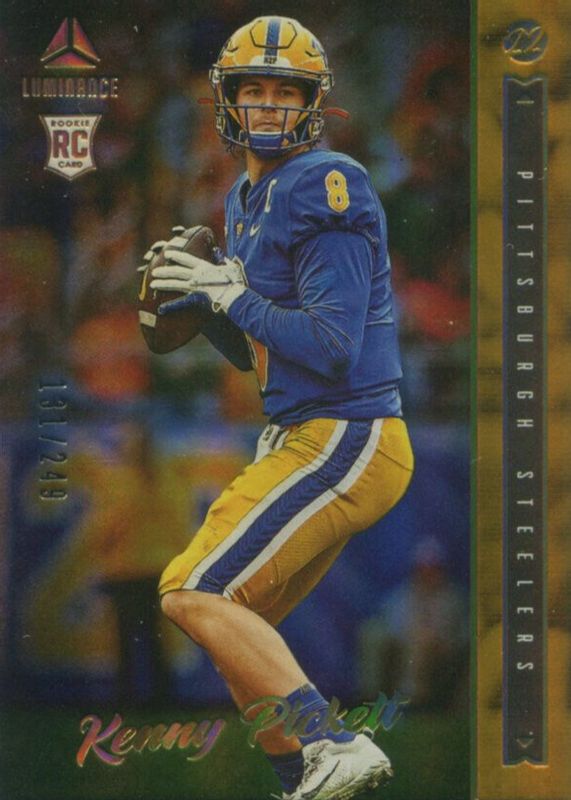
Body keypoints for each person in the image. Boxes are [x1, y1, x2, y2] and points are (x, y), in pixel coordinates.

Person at [143, 15, 414, 800]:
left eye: (283, 91)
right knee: (227, 618)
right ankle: (300, 775)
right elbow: (263, 352)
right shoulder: (245, 195)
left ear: (311, 103)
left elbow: (330, 345)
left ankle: (329, 743)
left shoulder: (324, 181)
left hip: (345, 431)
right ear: (226, 100)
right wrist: (210, 311)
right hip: (308, 430)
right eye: (251, 89)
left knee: (193, 590)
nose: (266, 104)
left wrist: (227, 293)